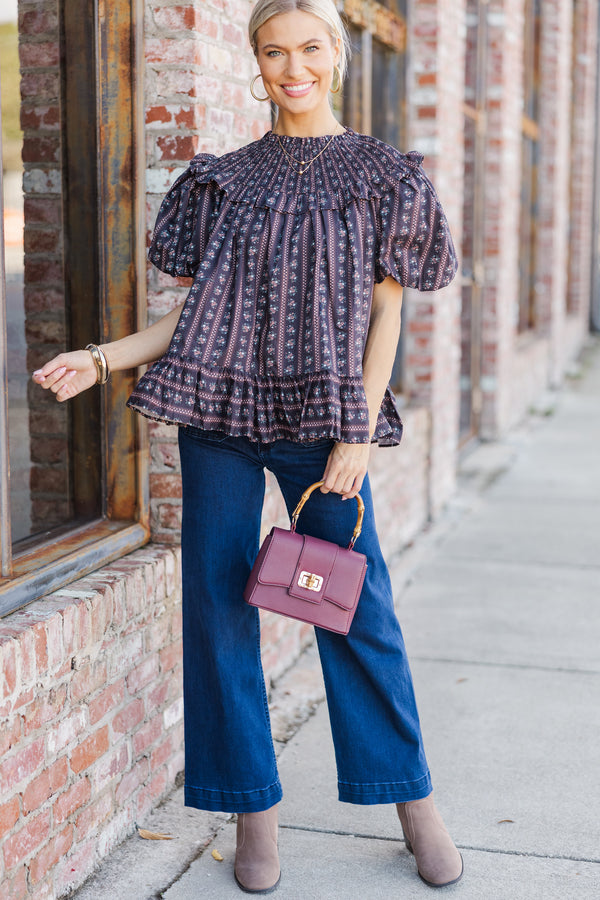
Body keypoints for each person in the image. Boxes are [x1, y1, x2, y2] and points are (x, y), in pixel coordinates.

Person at [33, 0, 463, 893]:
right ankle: (252, 808)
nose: (292, 66)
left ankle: (411, 797)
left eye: (309, 48)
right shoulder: (222, 179)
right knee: (219, 605)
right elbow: (191, 316)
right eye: (274, 51)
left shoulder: (387, 178)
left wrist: (358, 432)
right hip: (220, 414)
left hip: (325, 421)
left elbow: (388, 311)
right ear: (257, 64)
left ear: (335, 57)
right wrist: (101, 356)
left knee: (358, 608)